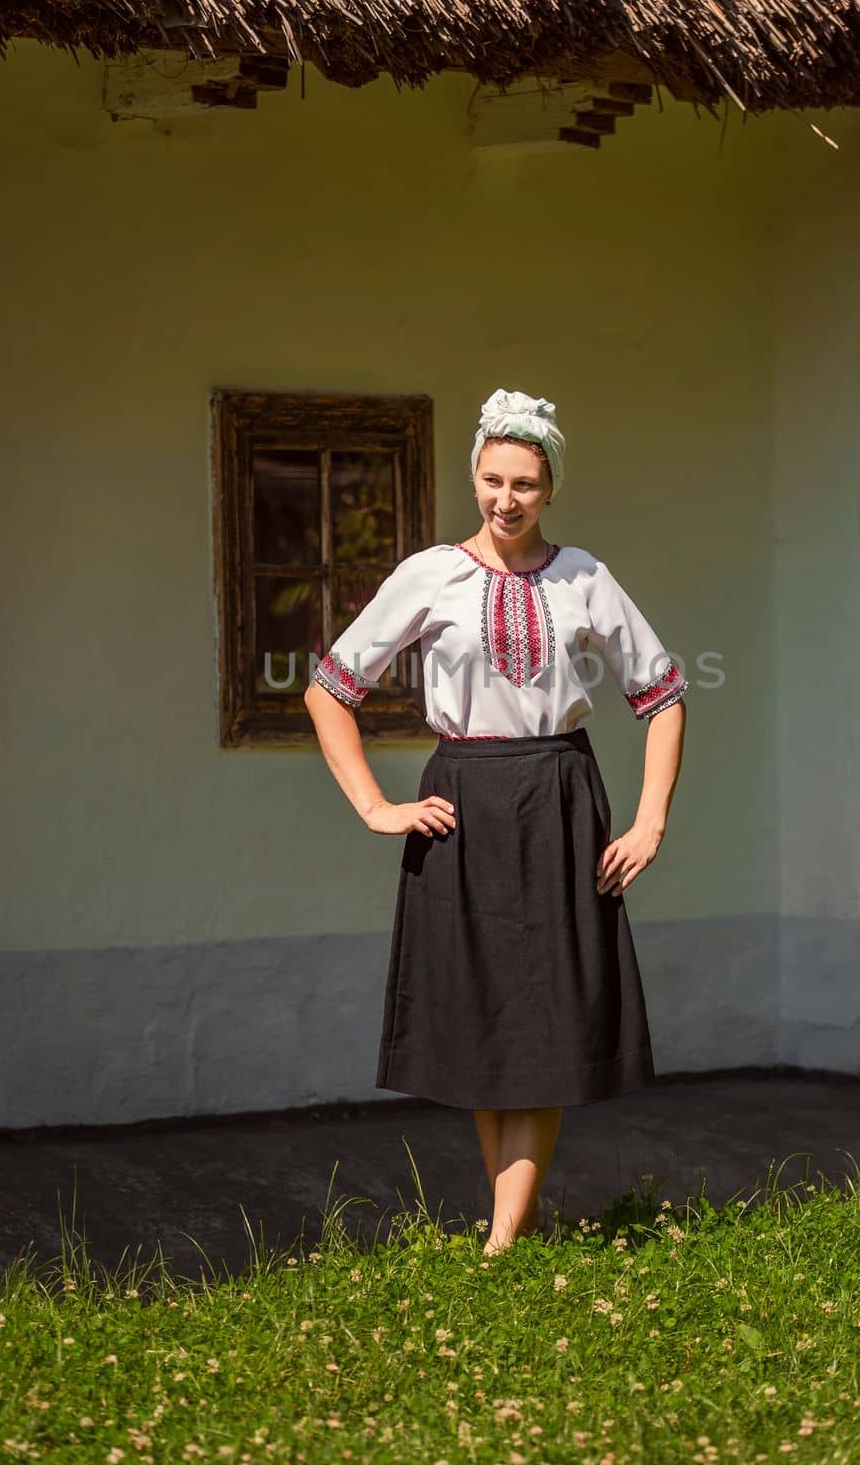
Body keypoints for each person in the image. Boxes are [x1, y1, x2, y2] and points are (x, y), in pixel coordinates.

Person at [304, 388, 688, 1256]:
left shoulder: (584, 576)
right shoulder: (427, 575)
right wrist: (374, 805)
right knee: (482, 1015)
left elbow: (661, 696)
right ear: (471, 476)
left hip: (558, 797)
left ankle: (503, 1238)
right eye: (490, 479)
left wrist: (649, 820)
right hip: (460, 804)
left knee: (546, 1015)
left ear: (550, 487)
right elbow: (330, 688)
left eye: (523, 483)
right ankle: (514, 1223)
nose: (503, 499)